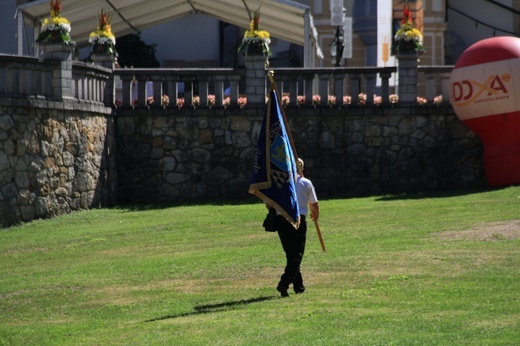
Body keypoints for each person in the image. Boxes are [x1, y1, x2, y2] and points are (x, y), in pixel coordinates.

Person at [268, 158, 319, 297]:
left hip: (281, 221)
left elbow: (268, 204)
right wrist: (316, 214)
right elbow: (314, 204)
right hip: (298, 221)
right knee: (296, 255)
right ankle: (284, 283)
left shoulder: (279, 183)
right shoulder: (305, 183)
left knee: (291, 255)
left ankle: (299, 286)